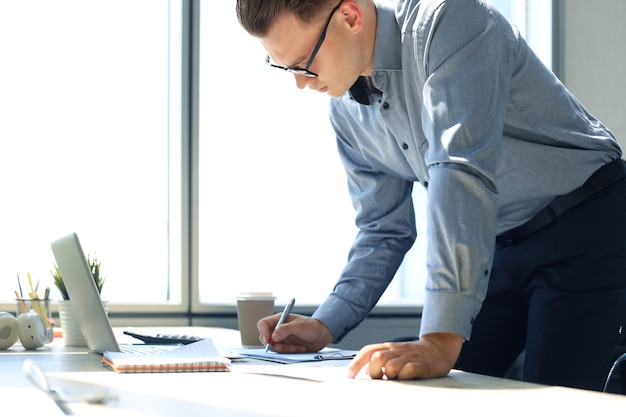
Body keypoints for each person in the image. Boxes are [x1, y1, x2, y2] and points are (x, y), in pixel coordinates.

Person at [235, 0, 626, 391]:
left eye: (305, 62)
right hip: (495, 245)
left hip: (586, 222)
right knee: (418, 384)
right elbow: (382, 229)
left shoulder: (449, 20)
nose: (301, 83)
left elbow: (459, 169)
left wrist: (439, 339)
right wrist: (325, 323)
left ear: (349, 16)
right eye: (285, 67)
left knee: (557, 398)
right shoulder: (346, 114)